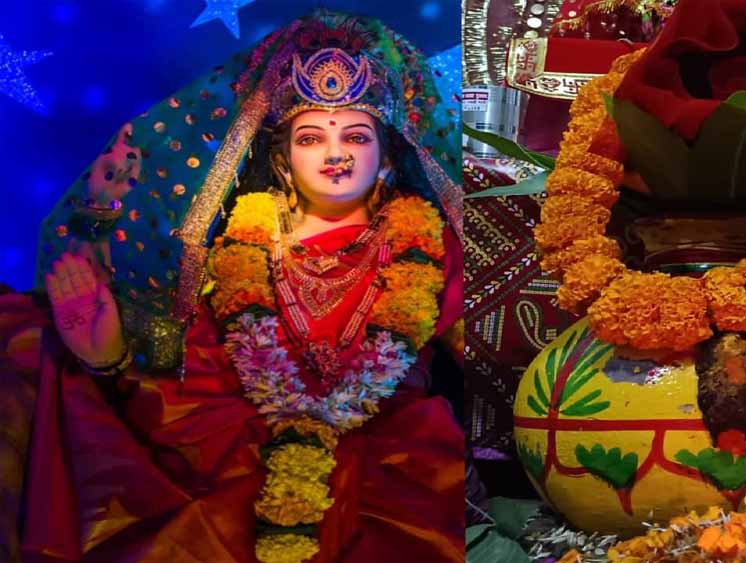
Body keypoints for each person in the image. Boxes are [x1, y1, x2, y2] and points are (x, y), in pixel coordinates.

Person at [11, 11, 464, 563]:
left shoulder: (433, 245)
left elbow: (485, 354)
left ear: (387, 157)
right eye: (311, 138)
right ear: (282, 159)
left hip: (395, 467)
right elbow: (191, 385)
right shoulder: (234, 246)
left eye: (356, 136)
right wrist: (107, 360)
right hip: (237, 458)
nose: (335, 153)